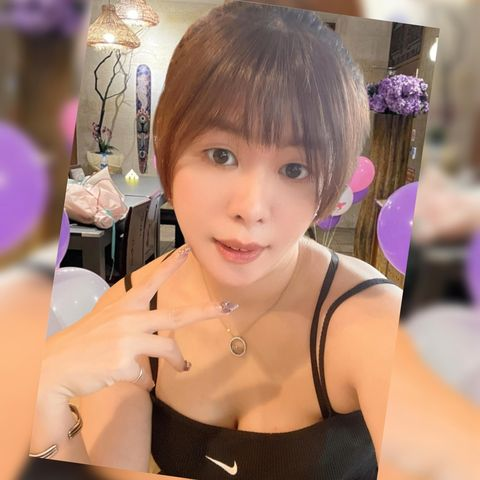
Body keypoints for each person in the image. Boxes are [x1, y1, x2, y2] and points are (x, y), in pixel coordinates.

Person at [31, 2, 403, 479]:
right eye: (221, 154)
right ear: (168, 149)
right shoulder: (132, 315)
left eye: (295, 168)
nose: (251, 207)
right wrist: (43, 389)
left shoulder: (376, 322)